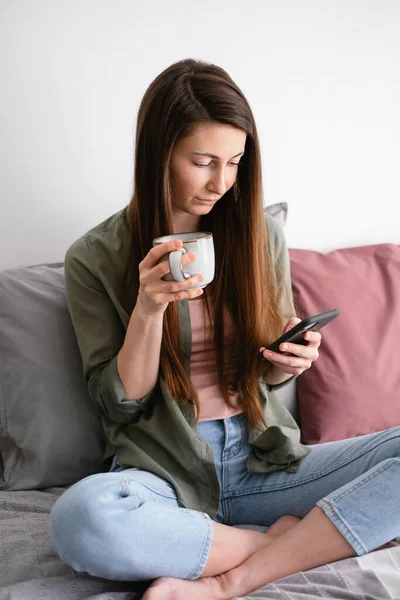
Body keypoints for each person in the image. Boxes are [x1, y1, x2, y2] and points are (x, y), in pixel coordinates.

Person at [50, 58, 400, 600]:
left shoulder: (260, 236)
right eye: (203, 161)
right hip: (162, 471)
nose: (222, 182)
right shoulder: (95, 257)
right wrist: (147, 310)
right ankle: (276, 544)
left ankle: (235, 576)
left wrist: (286, 362)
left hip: (265, 461)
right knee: (81, 519)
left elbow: (265, 376)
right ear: (157, 153)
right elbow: (120, 405)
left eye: (234, 162)